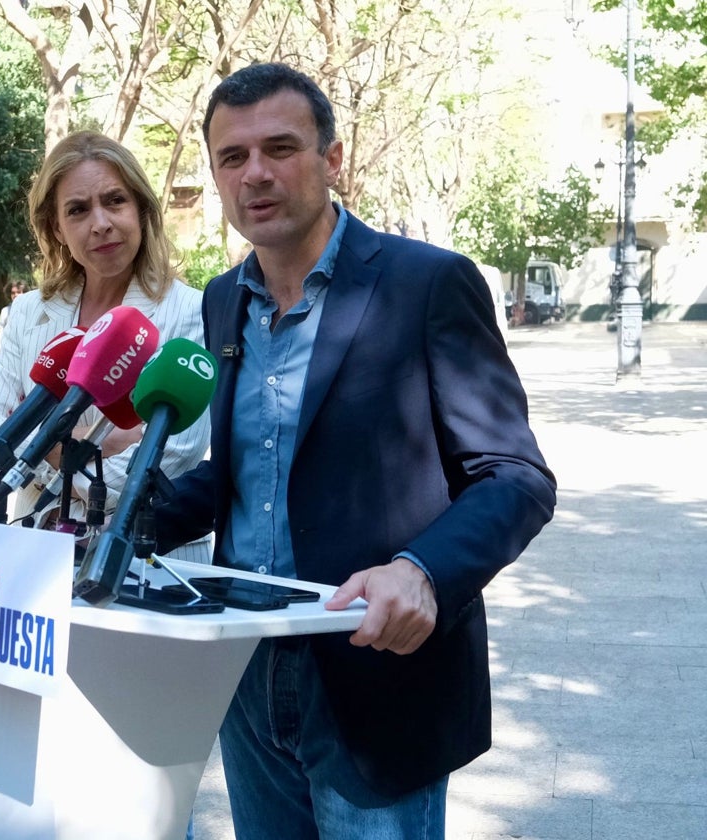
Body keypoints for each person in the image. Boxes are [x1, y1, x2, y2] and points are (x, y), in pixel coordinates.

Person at [153, 63, 558, 839]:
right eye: (232, 158)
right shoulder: (221, 299)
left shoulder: (428, 283)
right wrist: (119, 524)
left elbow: (514, 476)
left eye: (281, 148)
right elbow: (245, 474)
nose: (256, 174)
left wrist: (423, 571)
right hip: (244, 672)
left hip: (376, 677)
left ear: (332, 158)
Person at [0, 130, 212, 565]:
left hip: (148, 562)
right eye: (78, 210)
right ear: (56, 228)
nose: (100, 223)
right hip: (36, 554)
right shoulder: (29, 313)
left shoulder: (194, 311)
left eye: (115, 200)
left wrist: (41, 449)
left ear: (141, 209)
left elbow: (165, 461)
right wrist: (92, 445)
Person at [0, 281, 27, 362]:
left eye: (19, 292)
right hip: (11, 353)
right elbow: (1, 332)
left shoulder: (31, 310)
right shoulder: (5, 311)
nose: (15, 295)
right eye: (13, 293)